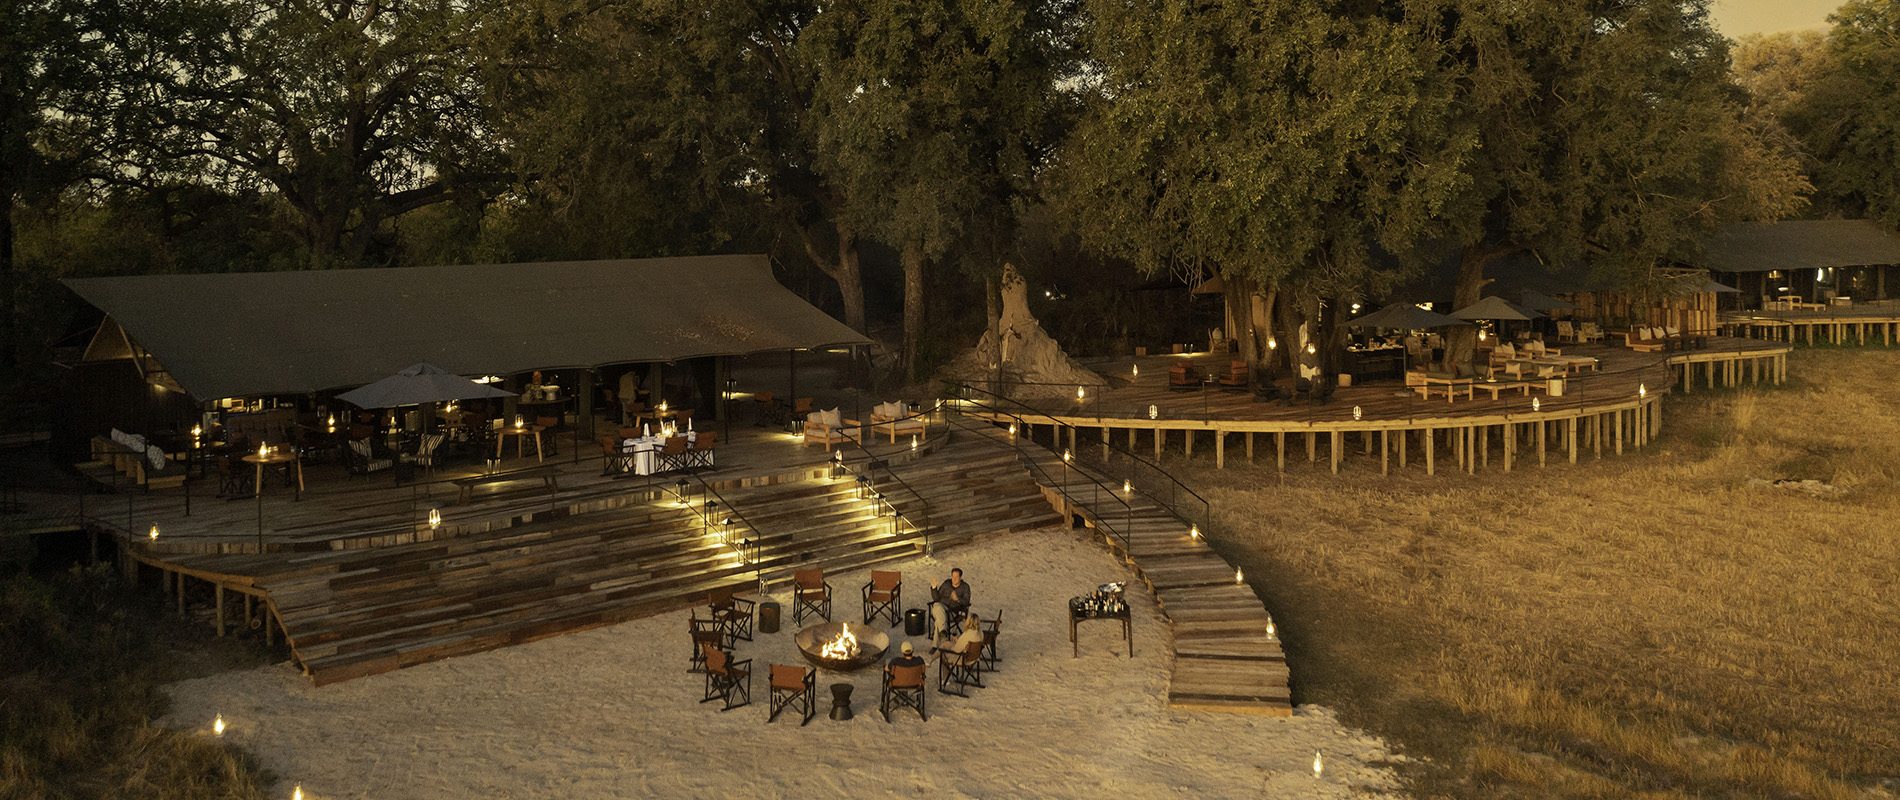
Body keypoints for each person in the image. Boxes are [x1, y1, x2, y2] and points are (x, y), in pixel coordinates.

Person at [928, 568, 971, 642]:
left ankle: (939, 639)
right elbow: (936, 598)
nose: (954, 579)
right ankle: (943, 632)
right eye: (953, 577)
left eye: (956, 577)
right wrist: (934, 588)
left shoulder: (965, 587)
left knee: (938, 620)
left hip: (952, 612)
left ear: (960, 577)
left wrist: (957, 599)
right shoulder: (946, 584)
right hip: (941, 608)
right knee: (937, 605)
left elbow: (966, 602)